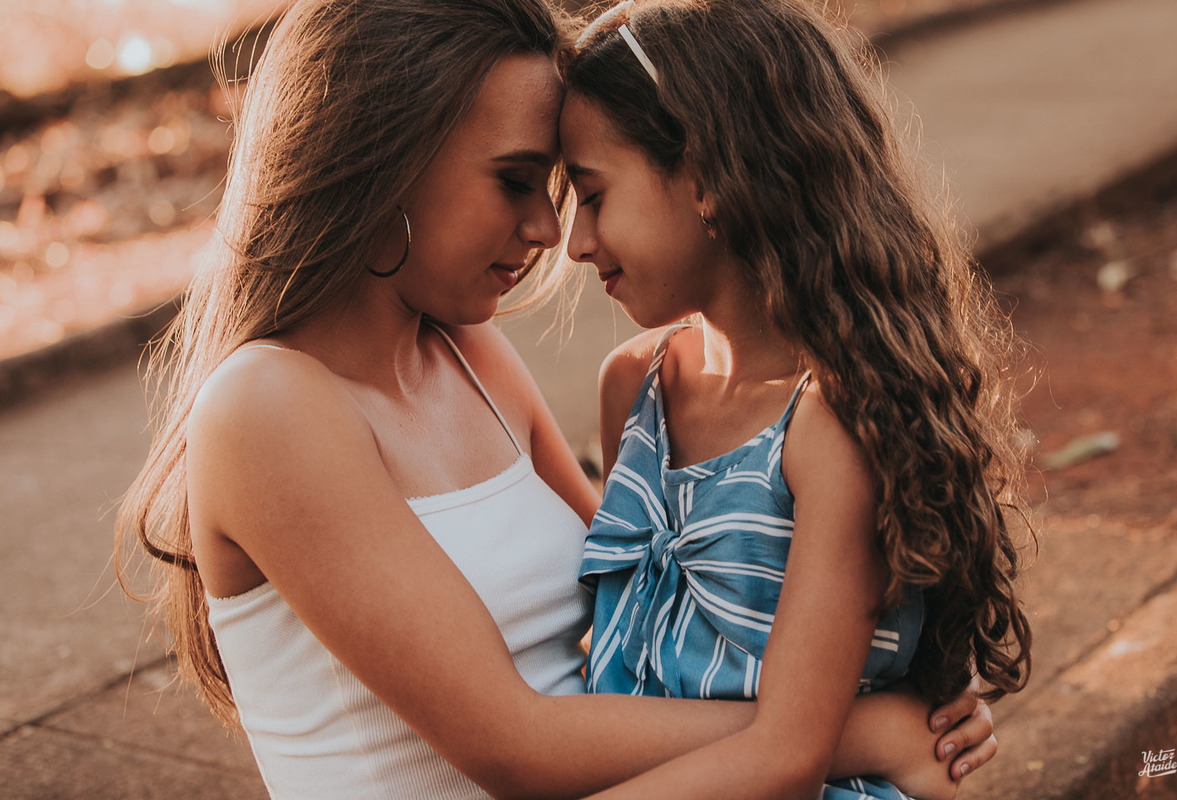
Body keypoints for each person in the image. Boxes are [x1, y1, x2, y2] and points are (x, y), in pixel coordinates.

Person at [116, 0, 998, 798]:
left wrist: (882, 669)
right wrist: (857, 730)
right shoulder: (266, 407)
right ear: (380, 162)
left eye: (562, 189)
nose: (548, 231)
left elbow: (640, 608)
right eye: (514, 180)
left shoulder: (474, 361)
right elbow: (515, 743)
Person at [558, 0, 1033, 798]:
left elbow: (786, 756)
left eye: (593, 194)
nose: (575, 241)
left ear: (706, 177)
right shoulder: (632, 385)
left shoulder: (830, 426)